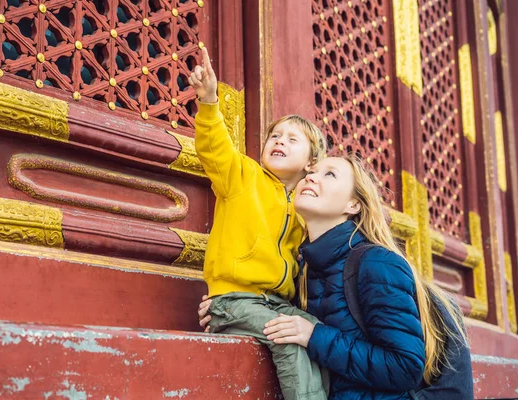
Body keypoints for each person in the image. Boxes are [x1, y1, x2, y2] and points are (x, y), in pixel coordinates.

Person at [199, 155, 471, 399]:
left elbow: (404, 367)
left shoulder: (376, 264)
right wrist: (228, 305)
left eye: (329, 174)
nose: (311, 177)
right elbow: (274, 314)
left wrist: (315, 336)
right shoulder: (303, 269)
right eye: (311, 172)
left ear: (353, 204)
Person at [189, 47, 328, 400]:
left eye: (291, 139)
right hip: (234, 300)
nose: (279, 141)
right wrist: (209, 103)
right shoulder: (243, 176)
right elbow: (215, 149)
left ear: (311, 163)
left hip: (275, 302)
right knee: (290, 337)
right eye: (275, 137)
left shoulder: (303, 207)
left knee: (319, 336)